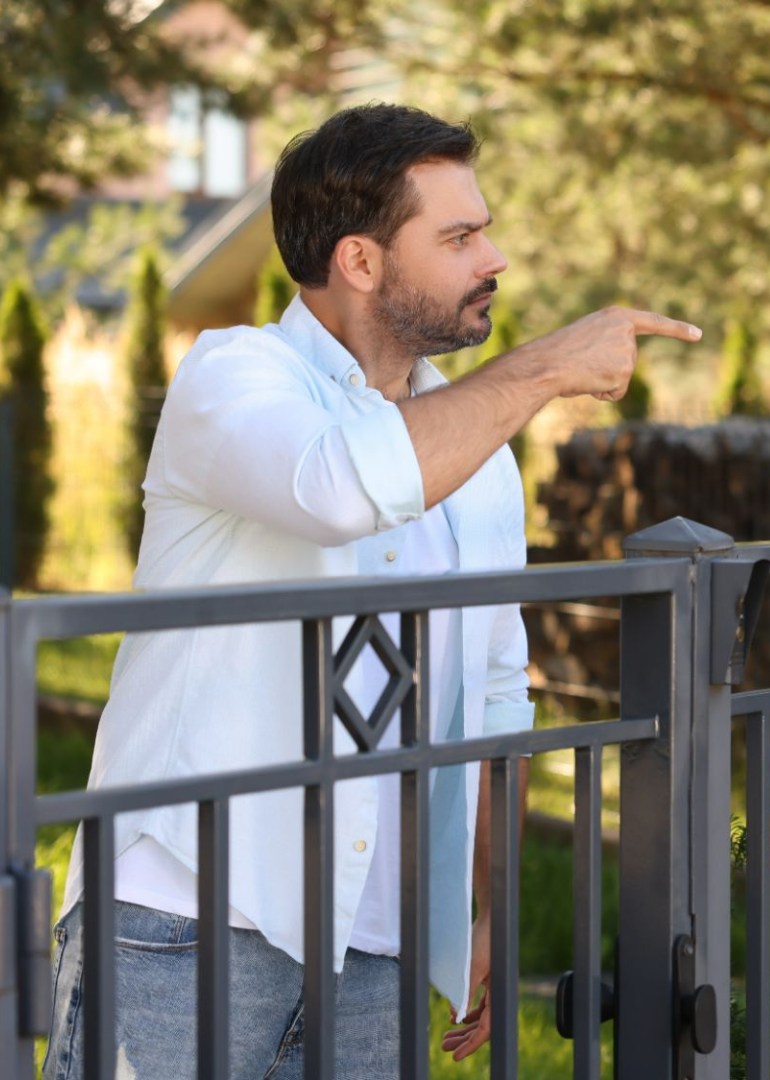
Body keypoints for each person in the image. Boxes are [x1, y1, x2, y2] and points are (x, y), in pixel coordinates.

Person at [43, 103, 701, 1079]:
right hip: (186, 918)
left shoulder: (479, 457)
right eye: (461, 236)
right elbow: (339, 487)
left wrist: (486, 911)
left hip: (381, 953)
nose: (496, 258)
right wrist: (549, 367)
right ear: (359, 260)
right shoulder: (232, 379)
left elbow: (492, 696)